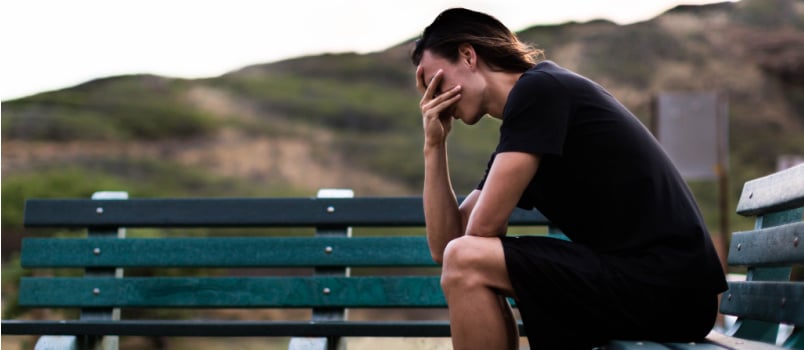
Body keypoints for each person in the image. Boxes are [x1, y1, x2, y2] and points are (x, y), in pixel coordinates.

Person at [410, 8, 728, 350]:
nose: (432, 100)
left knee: (469, 259)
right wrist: (434, 145)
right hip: (647, 282)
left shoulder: (540, 91)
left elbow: (477, 234)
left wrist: (478, 251)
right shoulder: (528, 119)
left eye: (435, 83)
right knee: (465, 257)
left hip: (669, 287)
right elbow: (446, 247)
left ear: (468, 55)